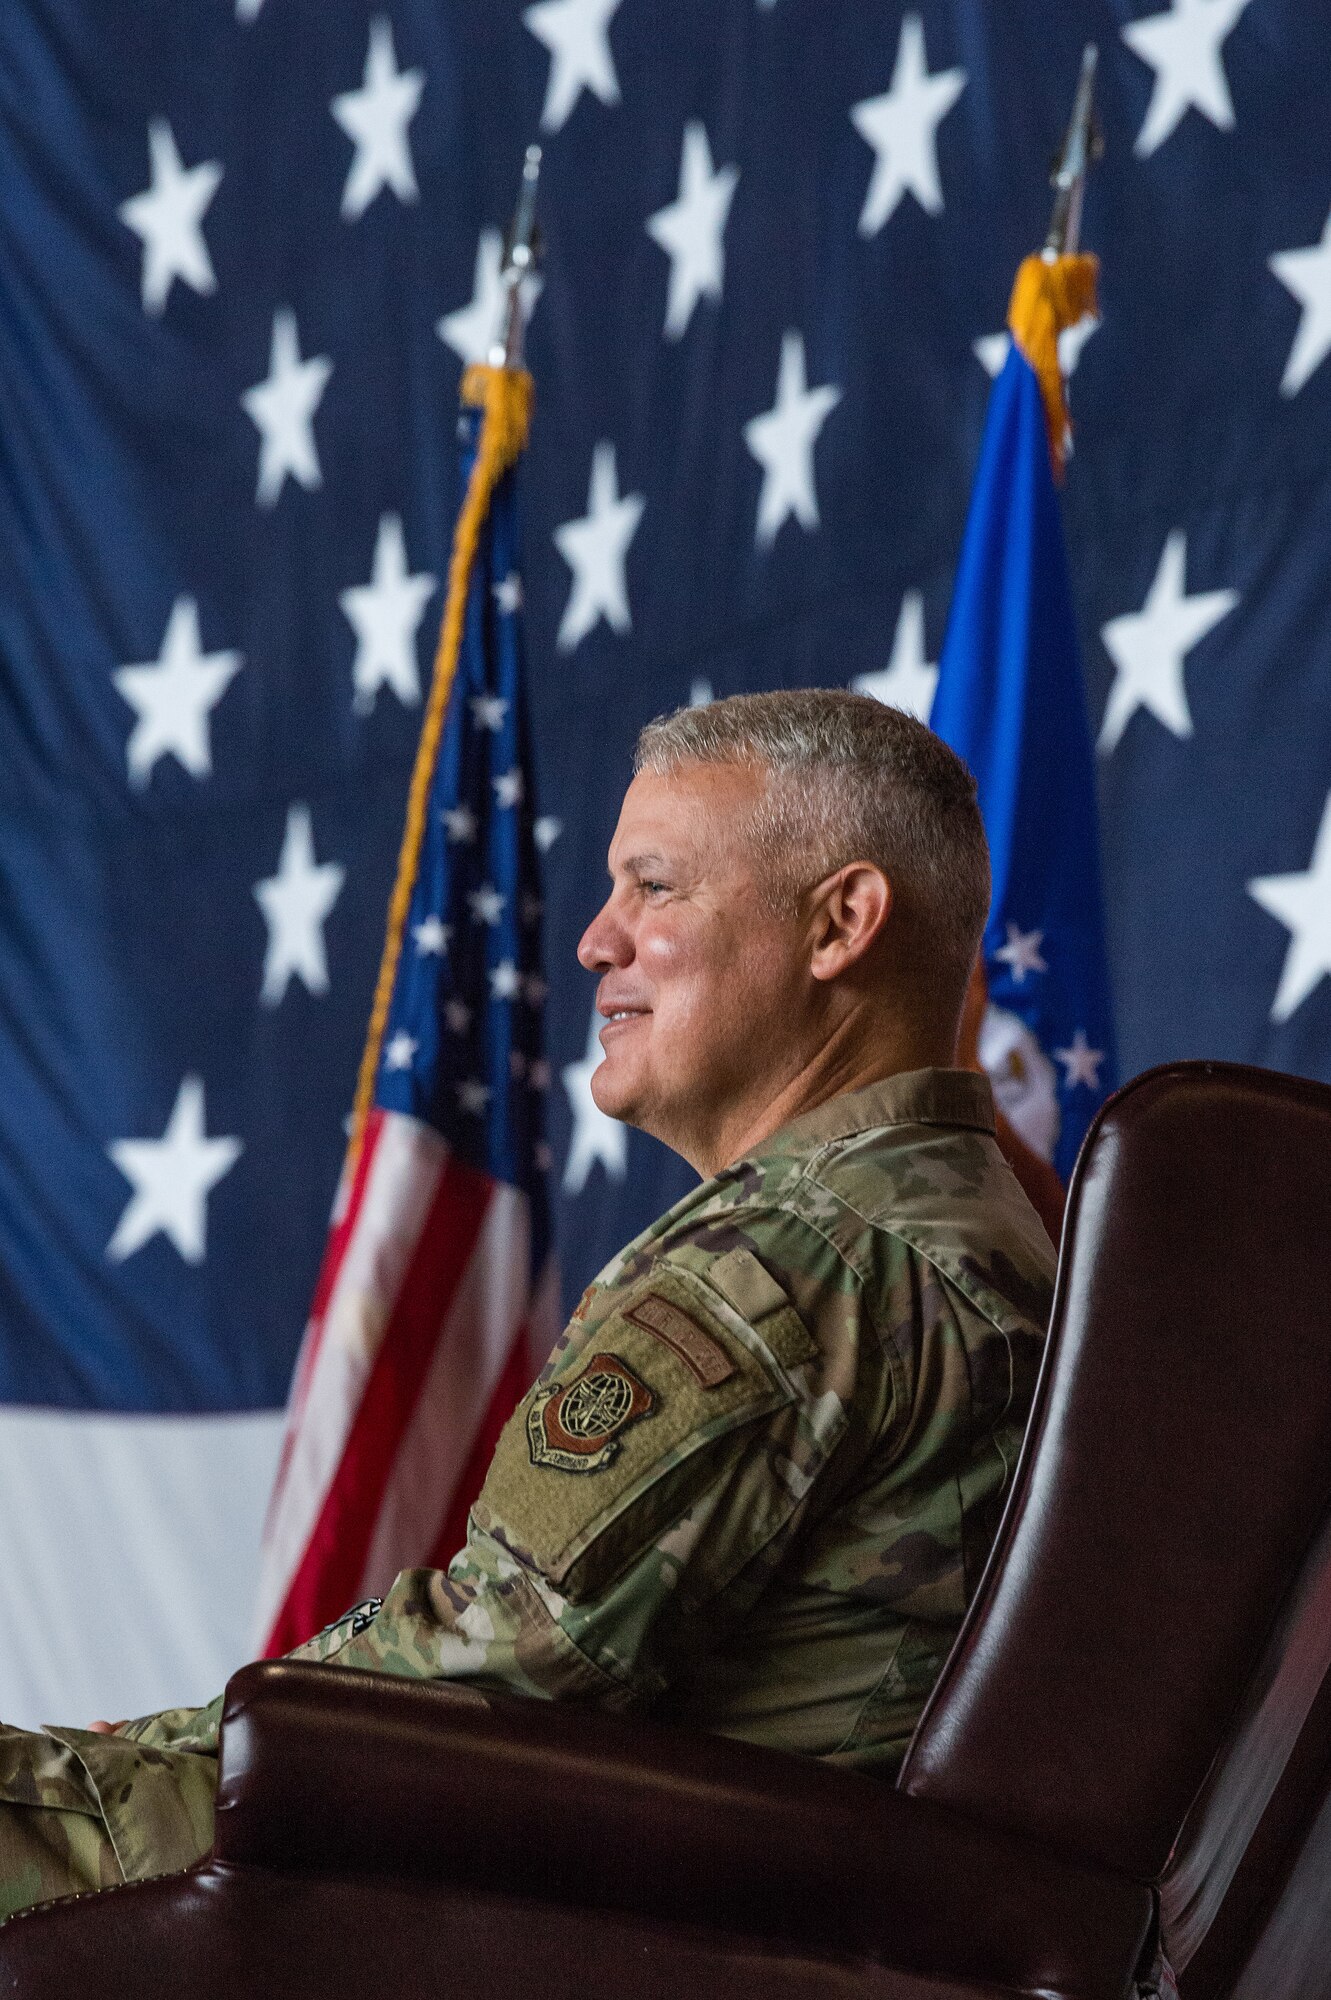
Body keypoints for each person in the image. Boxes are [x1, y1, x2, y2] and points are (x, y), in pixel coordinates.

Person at [0, 689, 1055, 1922]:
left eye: (654, 887)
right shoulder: (982, 1231)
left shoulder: (797, 1265)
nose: (597, 940)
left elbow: (460, 1689)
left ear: (839, 923)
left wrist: (98, 1768)